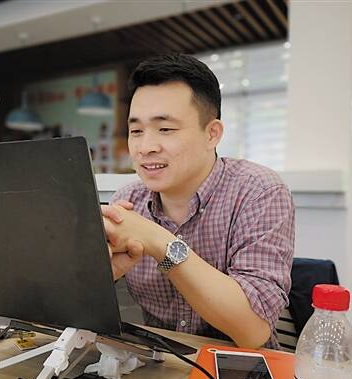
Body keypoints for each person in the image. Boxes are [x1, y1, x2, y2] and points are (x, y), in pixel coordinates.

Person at [102, 54, 294, 349]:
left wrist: (157, 240)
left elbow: (253, 332)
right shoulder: (127, 201)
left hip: (242, 368)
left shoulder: (260, 192)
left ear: (212, 134)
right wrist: (102, 276)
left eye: (165, 129)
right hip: (163, 363)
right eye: (136, 131)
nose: (145, 147)